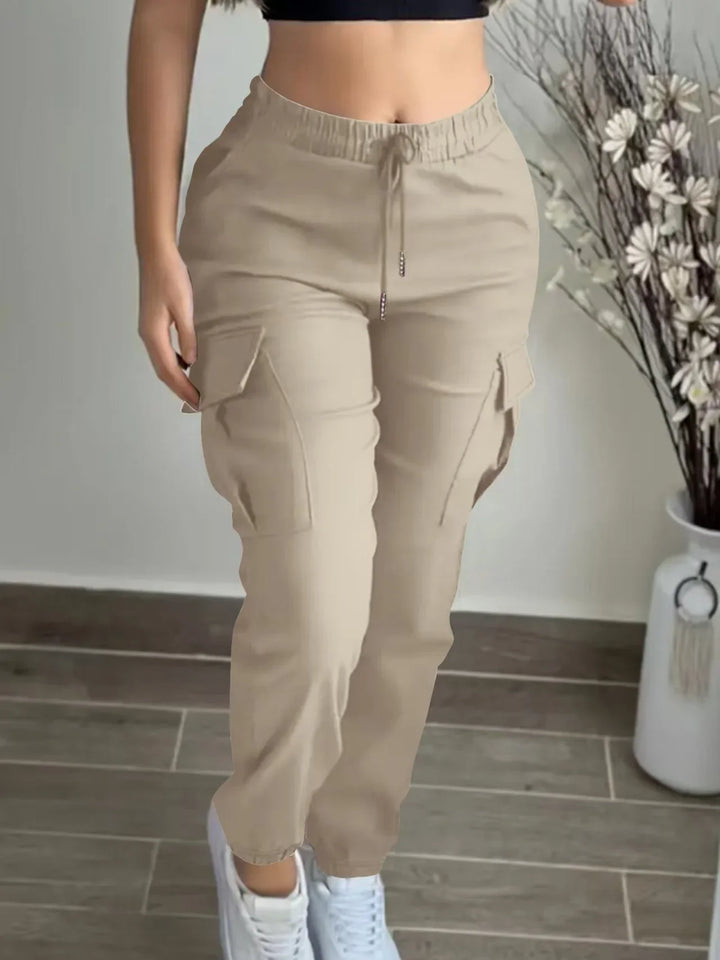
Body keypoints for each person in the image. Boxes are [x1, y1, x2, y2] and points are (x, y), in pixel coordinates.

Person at [127, 0, 636, 957]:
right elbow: (163, 16)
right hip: (282, 205)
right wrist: (154, 245)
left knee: (410, 606)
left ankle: (349, 867)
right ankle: (265, 874)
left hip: (469, 206)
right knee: (317, 603)